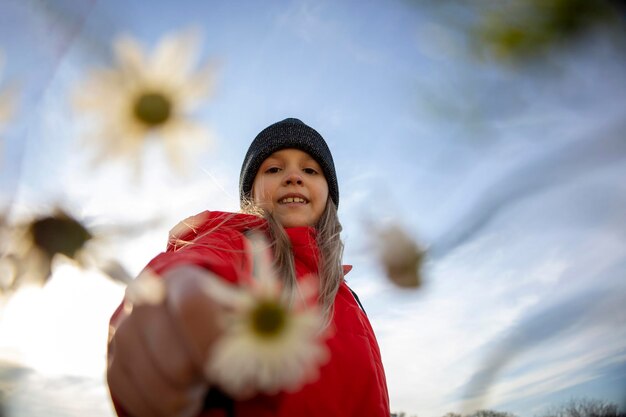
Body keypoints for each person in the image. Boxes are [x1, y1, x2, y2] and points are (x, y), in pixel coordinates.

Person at [106, 118, 390, 417]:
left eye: (310, 170)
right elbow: (193, 266)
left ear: (329, 193)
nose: (293, 176)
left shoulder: (346, 294)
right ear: (250, 194)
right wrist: (170, 296)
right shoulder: (239, 245)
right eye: (274, 169)